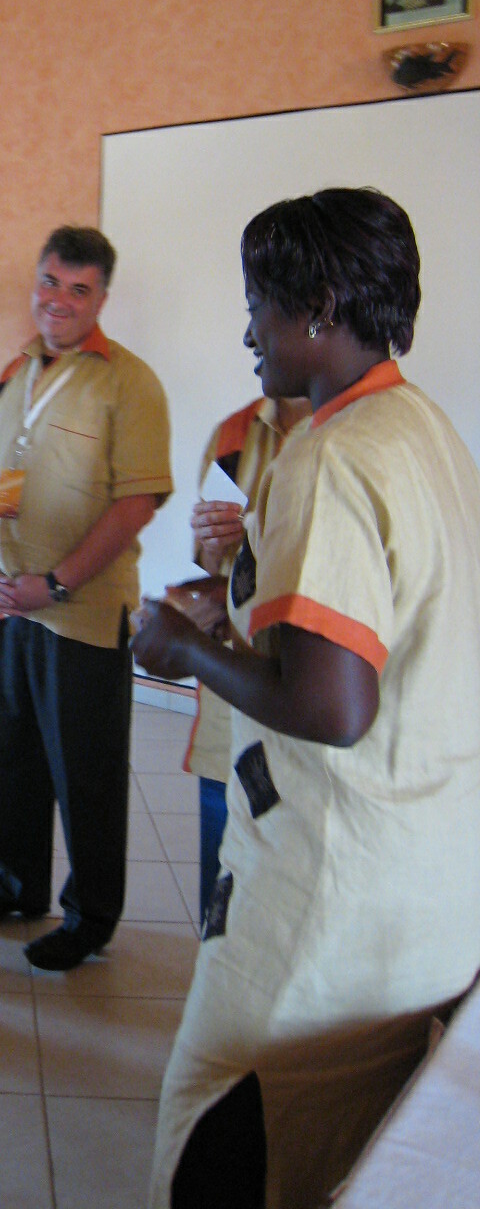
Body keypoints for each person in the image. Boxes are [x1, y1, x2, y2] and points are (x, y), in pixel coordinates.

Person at [131, 188, 480, 1209]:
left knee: (224, 1128)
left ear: (319, 308)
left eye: (259, 305)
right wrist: (239, 610)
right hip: (427, 891)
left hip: (329, 904)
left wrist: (189, 647)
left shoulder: (331, 456)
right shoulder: (425, 431)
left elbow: (334, 706)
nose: (249, 333)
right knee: (339, 1156)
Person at [0, 226, 172, 970]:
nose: (59, 300)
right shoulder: (16, 369)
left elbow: (137, 502)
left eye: (79, 289)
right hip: (5, 603)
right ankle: (18, 883)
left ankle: (90, 916)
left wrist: (58, 582)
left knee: (87, 773)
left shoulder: (129, 383)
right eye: (50, 282)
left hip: (79, 615)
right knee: (10, 755)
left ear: (101, 299)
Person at [181, 393, 309, 924]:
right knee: (220, 889)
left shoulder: (351, 436)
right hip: (232, 703)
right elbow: (210, 564)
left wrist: (255, 531)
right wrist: (213, 544)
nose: (255, 350)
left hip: (308, 701)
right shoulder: (234, 434)